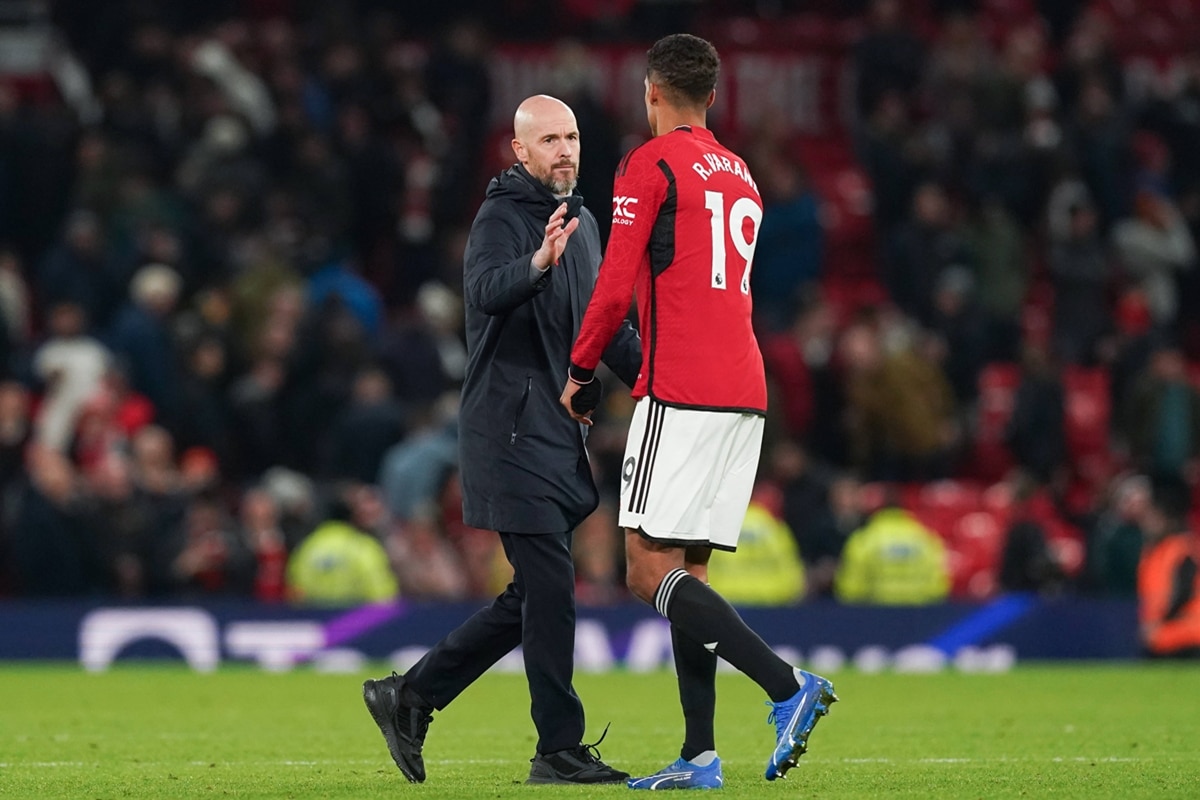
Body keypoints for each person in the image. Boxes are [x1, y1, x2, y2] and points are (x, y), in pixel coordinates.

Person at [560, 34, 837, 790]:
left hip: (680, 388)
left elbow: (614, 287)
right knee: (690, 575)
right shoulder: (741, 173)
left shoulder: (648, 164)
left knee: (646, 573)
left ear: (651, 92)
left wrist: (581, 371)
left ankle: (787, 687)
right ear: (712, 96)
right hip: (744, 390)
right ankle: (700, 754)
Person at [362, 95, 641, 785]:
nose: (565, 150)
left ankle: (411, 695)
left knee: (535, 594)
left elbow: (605, 325)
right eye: (548, 140)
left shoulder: (586, 221)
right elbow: (485, 291)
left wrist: (663, 380)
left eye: (571, 137)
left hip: (554, 430)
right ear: (519, 151)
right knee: (550, 585)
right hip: (508, 428)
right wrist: (539, 262)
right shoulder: (501, 217)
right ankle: (557, 747)